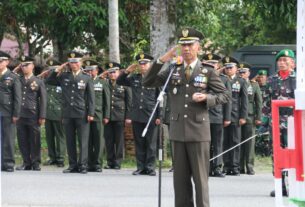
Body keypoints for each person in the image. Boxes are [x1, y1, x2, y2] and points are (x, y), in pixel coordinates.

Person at [143, 28, 230, 207]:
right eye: (183, 45)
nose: (186, 48)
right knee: (180, 182)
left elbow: (225, 95)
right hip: (177, 131)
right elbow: (148, 82)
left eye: (190, 45)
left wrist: (207, 98)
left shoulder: (208, 71)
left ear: (198, 47)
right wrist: (162, 60)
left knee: (200, 180)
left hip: (198, 132)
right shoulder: (173, 69)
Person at [46, 51, 95, 174]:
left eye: (76, 62)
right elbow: (50, 80)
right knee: (70, 140)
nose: (74, 65)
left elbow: (91, 98)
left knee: (83, 140)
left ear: (81, 63)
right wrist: (59, 68)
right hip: (67, 113)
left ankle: (83, 165)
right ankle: (73, 165)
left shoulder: (86, 77)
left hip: (82, 113)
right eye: (71, 62)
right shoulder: (64, 76)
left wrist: (91, 113)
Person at [117, 53, 161, 176]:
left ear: (150, 64)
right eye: (140, 64)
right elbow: (120, 81)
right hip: (137, 114)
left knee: (151, 143)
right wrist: (126, 71)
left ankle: (150, 167)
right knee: (139, 142)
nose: (142, 66)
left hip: (151, 114)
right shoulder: (134, 78)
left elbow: (160, 98)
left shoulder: (155, 78)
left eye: (145, 63)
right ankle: (140, 167)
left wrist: (159, 116)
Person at [266, 49, 296, 197]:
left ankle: (296, 185)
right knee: (277, 154)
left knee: (294, 153)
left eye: (286, 60)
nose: (282, 63)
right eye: (280, 60)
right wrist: (264, 121)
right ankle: (280, 186)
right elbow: (266, 102)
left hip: (293, 123)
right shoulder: (271, 79)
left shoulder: (299, 79)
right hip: (276, 122)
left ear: (293, 63)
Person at [202, 53, 232, 177]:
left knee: (218, 143)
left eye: (213, 63)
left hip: (217, 115)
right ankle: (206, 168)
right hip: (202, 115)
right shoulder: (199, 77)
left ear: (217, 65)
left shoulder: (224, 79)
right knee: (204, 144)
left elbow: (227, 98)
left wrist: (227, 117)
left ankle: (218, 167)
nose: (211, 66)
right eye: (208, 64)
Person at [16, 56, 47, 171]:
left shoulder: (38, 81)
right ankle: (26, 162)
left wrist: (42, 116)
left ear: (32, 66)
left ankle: (35, 162)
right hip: (20, 113)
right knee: (22, 139)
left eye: (26, 65)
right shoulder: (18, 79)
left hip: (33, 114)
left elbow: (43, 99)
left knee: (35, 139)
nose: (24, 67)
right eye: (22, 65)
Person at [222, 56, 248, 176]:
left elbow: (244, 100)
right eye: (226, 68)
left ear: (236, 68)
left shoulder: (241, 81)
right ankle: (226, 165)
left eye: (230, 67)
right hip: (222, 115)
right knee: (224, 141)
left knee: (235, 141)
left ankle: (235, 166)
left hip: (236, 115)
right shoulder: (220, 79)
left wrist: (243, 116)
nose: (228, 70)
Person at [83, 59, 110, 172]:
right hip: (85, 115)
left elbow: (107, 100)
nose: (89, 72)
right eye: (87, 70)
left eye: (91, 70)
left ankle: (98, 163)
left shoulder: (102, 82)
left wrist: (107, 115)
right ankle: (89, 163)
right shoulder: (83, 81)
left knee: (99, 140)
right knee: (87, 140)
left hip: (99, 115)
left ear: (97, 70)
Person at [103, 62, 132, 170]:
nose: (112, 75)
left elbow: (129, 101)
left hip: (120, 115)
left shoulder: (124, 84)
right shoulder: (106, 83)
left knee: (119, 140)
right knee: (109, 140)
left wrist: (128, 116)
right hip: (108, 116)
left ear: (119, 72)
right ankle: (110, 161)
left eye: (114, 72)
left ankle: (118, 162)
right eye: (110, 73)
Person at [238, 63, 262, 175]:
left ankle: (249, 166)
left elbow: (259, 102)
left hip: (250, 116)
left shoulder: (254, 85)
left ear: (249, 73)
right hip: (237, 116)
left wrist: (258, 117)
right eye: (240, 72)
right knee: (238, 141)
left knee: (249, 143)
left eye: (244, 72)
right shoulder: (235, 84)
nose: (242, 74)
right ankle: (239, 166)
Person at [42, 58, 66, 167]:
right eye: (50, 69)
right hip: (47, 113)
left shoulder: (63, 80)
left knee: (60, 136)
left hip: (59, 113)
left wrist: (64, 114)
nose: (51, 71)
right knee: (49, 137)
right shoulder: (46, 80)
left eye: (54, 69)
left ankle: (60, 158)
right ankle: (52, 157)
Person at [0, 51, 21, 172]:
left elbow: (17, 97)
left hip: (8, 111)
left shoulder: (13, 77)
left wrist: (16, 114)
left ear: (7, 62)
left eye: (1, 61)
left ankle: (8, 163)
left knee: (8, 138)